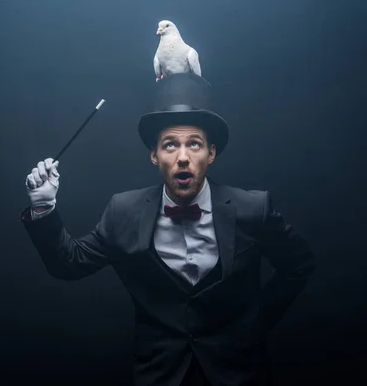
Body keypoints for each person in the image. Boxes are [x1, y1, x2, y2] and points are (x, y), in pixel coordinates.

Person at [20, 73, 315, 386]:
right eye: (170, 145)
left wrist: (255, 323)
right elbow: (68, 263)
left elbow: (299, 264)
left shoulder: (253, 209)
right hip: (160, 376)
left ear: (211, 153)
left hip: (240, 374)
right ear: (154, 155)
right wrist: (42, 206)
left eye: (195, 144)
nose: (183, 157)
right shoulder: (124, 212)